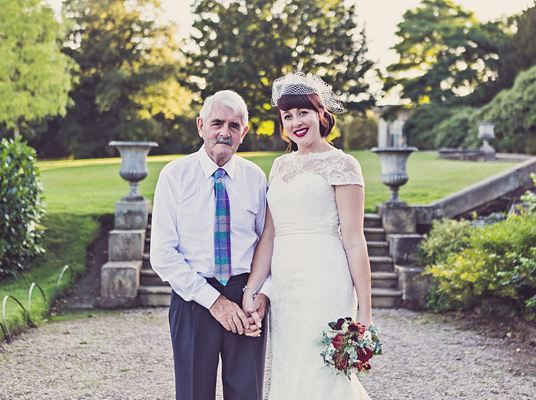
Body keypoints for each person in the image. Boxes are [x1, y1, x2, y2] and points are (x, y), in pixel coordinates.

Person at [242, 72, 374, 399]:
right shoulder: (280, 167)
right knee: (289, 367)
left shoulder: (342, 164)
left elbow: (355, 240)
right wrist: (252, 289)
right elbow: (269, 237)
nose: (296, 122)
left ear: (320, 114)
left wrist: (365, 314)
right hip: (286, 286)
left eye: (303, 112)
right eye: (287, 116)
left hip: (326, 280)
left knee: (322, 369)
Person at [150, 90, 270, 400]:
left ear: (243, 133)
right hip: (193, 300)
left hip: (246, 298)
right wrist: (214, 302)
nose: (224, 132)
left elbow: (268, 245)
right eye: (217, 123)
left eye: (234, 126)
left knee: (247, 394)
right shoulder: (174, 176)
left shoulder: (255, 178)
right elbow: (162, 254)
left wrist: (262, 296)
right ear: (201, 125)